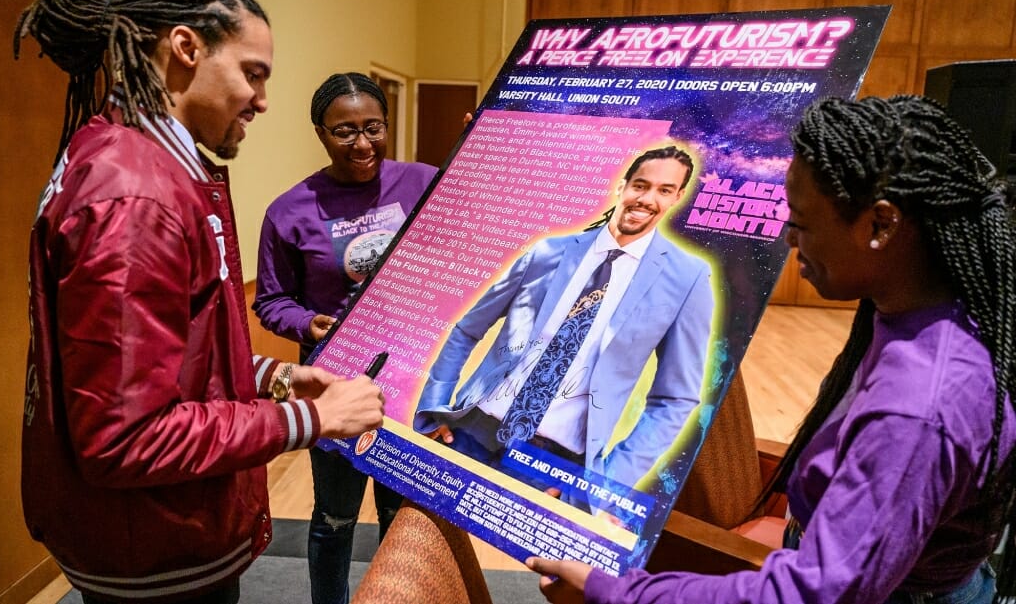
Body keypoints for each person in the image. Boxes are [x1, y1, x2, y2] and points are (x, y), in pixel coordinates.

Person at [527, 95, 1016, 603]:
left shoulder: (920, 407)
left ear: (881, 224)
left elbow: (813, 593)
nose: (787, 237)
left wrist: (615, 593)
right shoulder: (913, 309)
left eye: (802, 223)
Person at [16, 0, 386, 604]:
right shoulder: (136, 194)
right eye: (252, 74)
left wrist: (273, 377)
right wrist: (311, 417)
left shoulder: (125, 155)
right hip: (154, 543)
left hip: (154, 532)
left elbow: (162, 354)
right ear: (186, 48)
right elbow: (125, 437)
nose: (263, 100)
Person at [413, 146, 715, 507]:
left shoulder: (687, 278)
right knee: (422, 534)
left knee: (535, 563)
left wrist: (606, 483)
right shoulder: (548, 252)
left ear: (677, 198)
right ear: (622, 186)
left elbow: (675, 398)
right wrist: (435, 404)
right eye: (640, 184)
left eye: (664, 190)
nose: (647, 198)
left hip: (552, 463)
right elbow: (467, 329)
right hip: (471, 430)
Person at [253, 72, 437, 604]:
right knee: (334, 516)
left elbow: (480, 216)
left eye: (373, 127)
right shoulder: (290, 210)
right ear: (320, 133)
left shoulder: (424, 181)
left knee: (400, 515)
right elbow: (270, 301)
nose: (363, 143)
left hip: (414, 377)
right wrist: (306, 324)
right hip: (332, 382)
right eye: (345, 131)